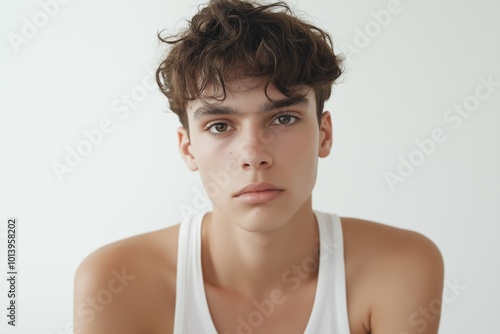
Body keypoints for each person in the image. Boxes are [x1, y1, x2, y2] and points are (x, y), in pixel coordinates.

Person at [73, 0, 444, 333]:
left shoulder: (400, 267)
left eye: (283, 119)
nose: (253, 155)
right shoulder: (116, 282)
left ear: (324, 134)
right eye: (220, 126)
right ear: (188, 149)